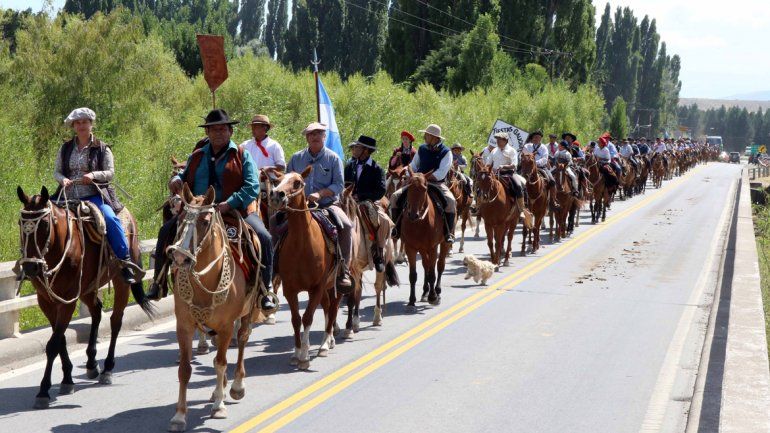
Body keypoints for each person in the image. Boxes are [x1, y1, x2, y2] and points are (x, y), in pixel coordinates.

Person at [146, 109, 275, 311]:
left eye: (222, 129)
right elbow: (184, 175)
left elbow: (252, 186)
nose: (218, 133)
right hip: (198, 211)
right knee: (166, 231)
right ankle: (159, 282)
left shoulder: (242, 155)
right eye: (213, 130)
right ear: (207, 133)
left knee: (264, 237)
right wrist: (176, 180)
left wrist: (229, 203)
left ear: (231, 132)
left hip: (234, 212)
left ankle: (265, 290)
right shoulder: (197, 155)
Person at [53, 107, 140, 286]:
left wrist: (93, 176)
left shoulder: (102, 148)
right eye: (78, 122)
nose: (81, 125)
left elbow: (110, 173)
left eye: (85, 122)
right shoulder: (65, 148)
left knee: (109, 218)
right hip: (66, 196)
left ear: (91, 124)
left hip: (94, 195)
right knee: (38, 215)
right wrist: (64, 180)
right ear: (73, 126)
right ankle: (30, 261)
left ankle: (125, 261)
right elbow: (57, 172)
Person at [285, 122, 353, 292]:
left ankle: (343, 270)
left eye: (318, 134)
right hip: (299, 208)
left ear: (324, 137)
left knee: (346, 225)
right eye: (311, 134)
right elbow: (286, 181)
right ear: (307, 137)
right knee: (274, 222)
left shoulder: (333, 158)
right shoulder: (296, 158)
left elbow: (339, 185)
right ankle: (273, 269)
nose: (315, 137)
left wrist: (320, 194)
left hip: (327, 205)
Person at [389, 123, 457, 243]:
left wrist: (424, 178)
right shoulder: (422, 148)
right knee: (394, 197)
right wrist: (408, 173)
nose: (424, 137)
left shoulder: (446, 152)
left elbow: (441, 173)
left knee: (451, 201)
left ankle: (448, 233)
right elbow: (414, 165)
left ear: (434, 137)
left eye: (427, 135)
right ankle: (397, 229)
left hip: (436, 183)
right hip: (417, 182)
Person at [344, 135, 387, 272]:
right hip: (348, 200)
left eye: (357, 147)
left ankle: (378, 253)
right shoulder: (349, 166)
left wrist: (361, 196)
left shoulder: (377, 168)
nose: (354, 149)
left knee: (383, 220)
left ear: (366, 151)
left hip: (367, 202)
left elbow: (381, 191)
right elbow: (344, 183)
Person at [522, 130, 559, 207]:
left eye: (539, 138)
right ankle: (520, 200)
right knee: (519, 181)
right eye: (535, 137)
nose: (537, 139)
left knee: (552, 181)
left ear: (541, 139)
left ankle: (553, 200)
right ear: (532, 138)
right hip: (527, 167)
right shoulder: (527, 146)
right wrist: (529, 163)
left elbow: (545, 159)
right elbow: (523, 156)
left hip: (541, 167)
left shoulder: (544, 147)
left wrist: (535, 163)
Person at [488, 132, 526, 200]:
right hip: (494, 174)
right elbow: (488, 163)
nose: (497, 142)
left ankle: (521, 207)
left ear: (505, 141)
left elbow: (514, 165)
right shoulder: (494, 150)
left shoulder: (512, 150)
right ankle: (478, 204)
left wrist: (503, 166)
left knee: (518, 186)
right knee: (482, 185)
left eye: (499, 140)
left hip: (509, 174)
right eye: (497, 140)